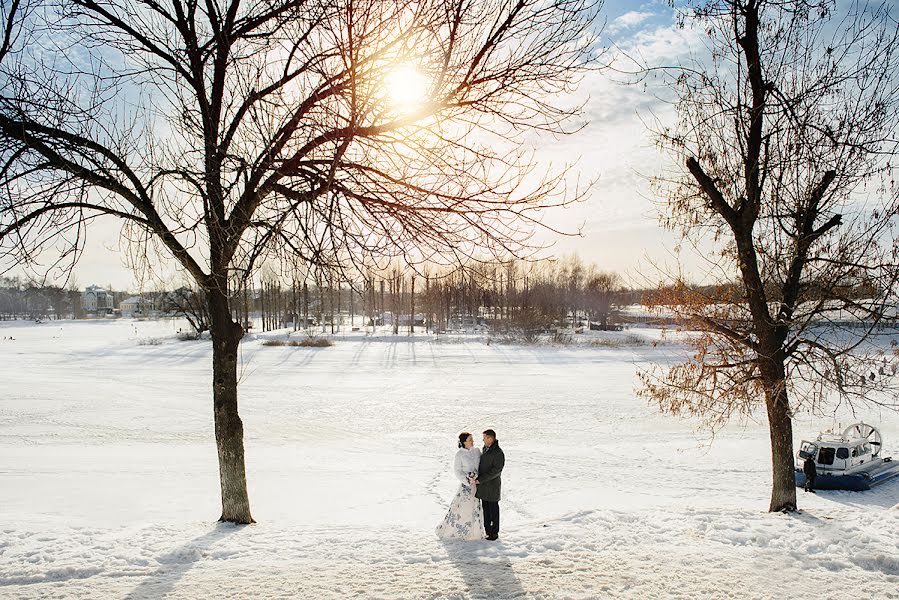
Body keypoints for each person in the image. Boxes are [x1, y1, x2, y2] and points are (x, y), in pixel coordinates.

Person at [436, 432, 485, 540]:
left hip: (477, 485)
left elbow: (482, 465)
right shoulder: (460, 454)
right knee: (462, 508)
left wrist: (477, 477)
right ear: (464, 442)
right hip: (466, 487)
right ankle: (460, 530)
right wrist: (467, 480)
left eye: (472, 439)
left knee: (475, 507)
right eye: (470, 439)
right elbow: (457, 471)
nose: (473, 441)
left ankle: (475, 531)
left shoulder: (477, 451)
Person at [474, 429, 505, 541]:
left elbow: (496, 471)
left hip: (492, 486)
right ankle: (488, 530)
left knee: (493, 510)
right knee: (485, 509)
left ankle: (494, 533)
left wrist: (480, 480)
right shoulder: (485, 449)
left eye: (485, 437)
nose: (483, 440)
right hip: (483, 486)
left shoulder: (498, 453)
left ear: (491, 438)